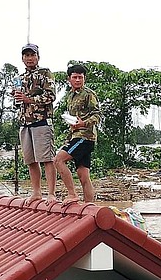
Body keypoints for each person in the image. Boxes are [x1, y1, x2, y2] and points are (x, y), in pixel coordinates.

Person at [13, 43, 57, 205]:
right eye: (26, 55)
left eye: (32, 55)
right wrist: (17, 98)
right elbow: (17, 102)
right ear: (22, 58)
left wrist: (29, 99)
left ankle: (51, 193)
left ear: (38, 57)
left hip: (42, 121)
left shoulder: (45, 73)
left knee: (47, 158)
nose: (29, 58)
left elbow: (51, 96)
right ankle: (36, 192)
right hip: (24, 123)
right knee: (30, 160)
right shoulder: (19, 78)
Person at [54, 64, 101, 205]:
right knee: (83, 174)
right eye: (75, 77)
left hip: (85, 137)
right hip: (76, 136)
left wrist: (83, 123)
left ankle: (72, 194)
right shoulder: (70, 96)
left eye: (80, 77)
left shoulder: (89, 94)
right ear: (69, 79)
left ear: (84, 78)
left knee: (58, 160)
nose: (78, 80)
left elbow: (97, 115)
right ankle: (89, 206)